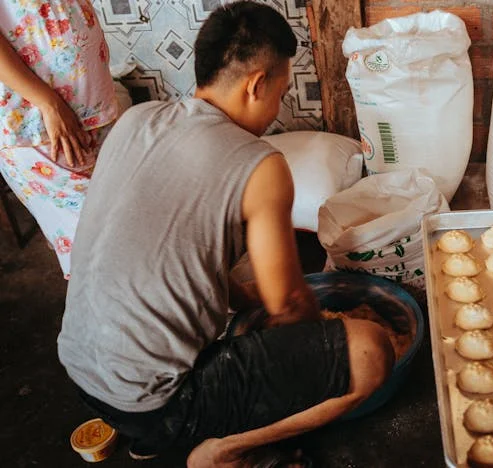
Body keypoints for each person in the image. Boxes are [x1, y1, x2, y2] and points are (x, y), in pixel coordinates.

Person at [57, 2, 394, 467]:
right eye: (279, 91)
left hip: (81, 373)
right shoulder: (260, 165)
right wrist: (325, 340)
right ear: (257, 85)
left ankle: (157, 435)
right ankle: (222, 452)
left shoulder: (137, 121)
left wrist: (253, 303)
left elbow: (177, 253)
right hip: (158, 403)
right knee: (370, 352)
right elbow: (291, 307)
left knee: (256, 302)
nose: (277, 108)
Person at [0, 0, 119, 277]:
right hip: (40, 127)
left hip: (89, 112)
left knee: (115, 235)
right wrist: (49, 104)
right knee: (105, 246)